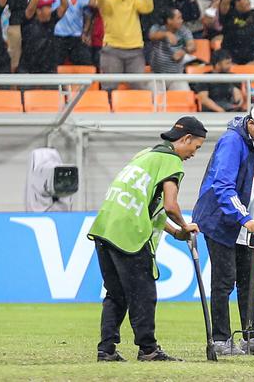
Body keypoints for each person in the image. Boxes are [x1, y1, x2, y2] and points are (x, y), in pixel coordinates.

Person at [86, 117, 206, 362]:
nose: (195, 153)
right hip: (129, 232)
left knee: (116, 294)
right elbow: (171, 206)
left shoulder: (146, 155)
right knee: (143, 293)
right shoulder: (171, 161)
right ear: (186, 139)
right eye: (197, 146)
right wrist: (185, 225)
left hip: (105, 227)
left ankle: (106, 350)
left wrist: (176, 233)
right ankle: (148, 349)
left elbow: (152, 208)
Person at [192, 101, 254, 356]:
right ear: (252, 124)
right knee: (224, 281)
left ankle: (252, 337)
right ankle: (222, 340)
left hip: (244, 219)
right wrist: (245, 218)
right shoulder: (232, 142)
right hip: (220, 220)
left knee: (249, 281)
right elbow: (223, 186)